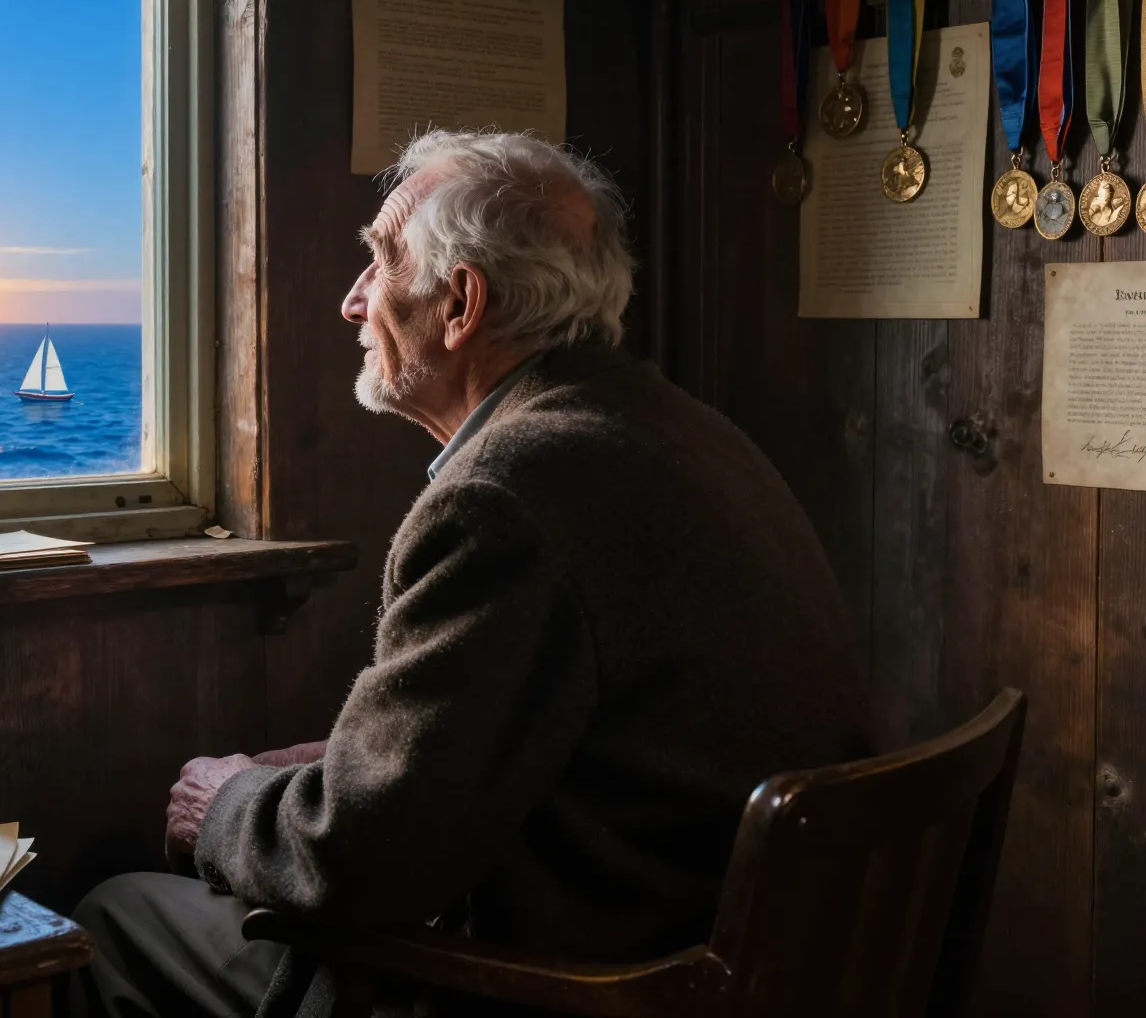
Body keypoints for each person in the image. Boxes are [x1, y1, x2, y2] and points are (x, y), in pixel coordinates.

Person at [73, 130, 870, 1018]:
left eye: (379, 261)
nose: (351, 301)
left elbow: (359, 863)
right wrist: (337, 772)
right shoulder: (680, 430)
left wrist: (226, 806)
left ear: (460, 304)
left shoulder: (504, 495)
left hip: (578, 989)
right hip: (718, 955)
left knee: (112, 912)